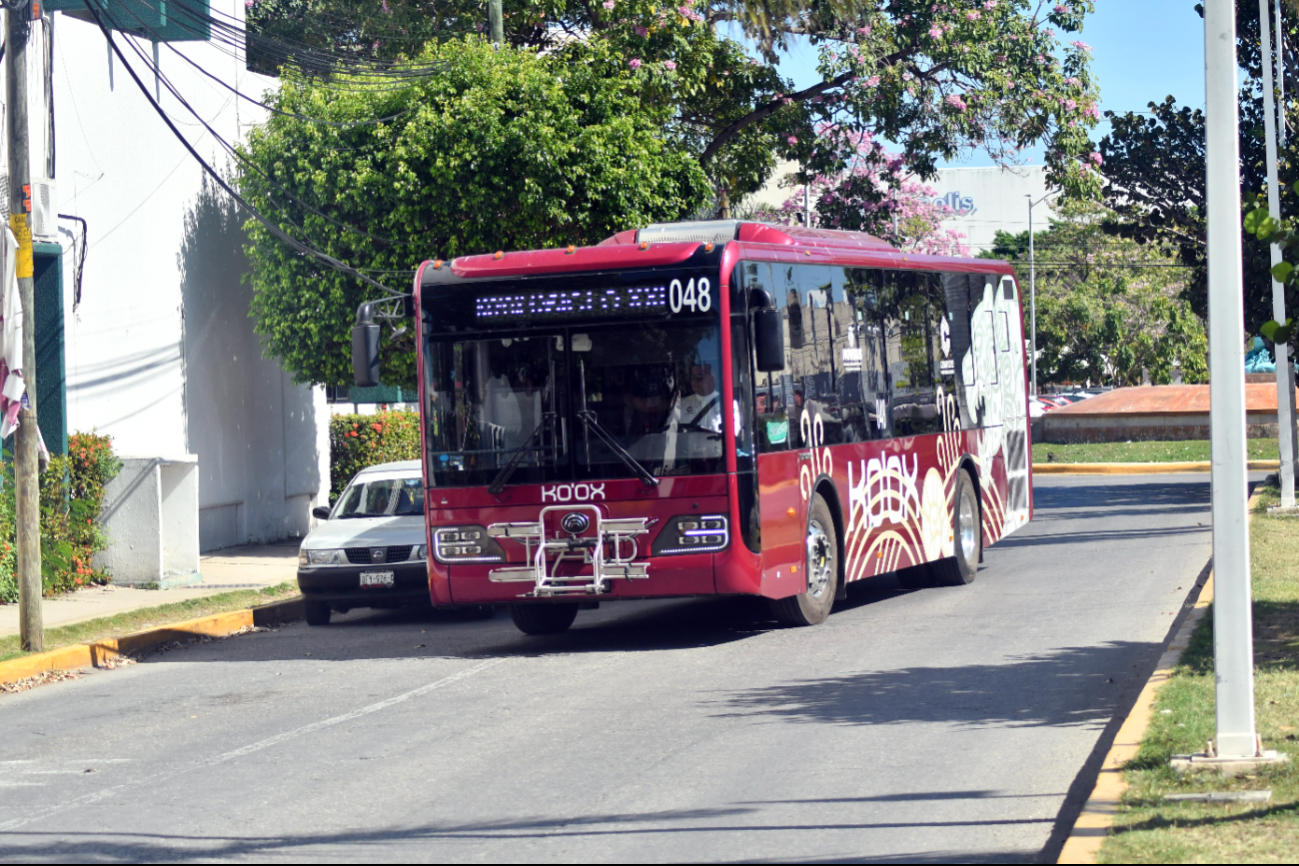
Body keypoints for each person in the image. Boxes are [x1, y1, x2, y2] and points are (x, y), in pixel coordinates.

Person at [664, 363, 722, 469]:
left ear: (712, 378)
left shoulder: (725, 403)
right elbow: (669, 433)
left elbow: (732, 435)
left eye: (699, 377)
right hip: (687, 463)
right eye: (692, 377)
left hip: (715, 463)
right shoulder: (682, 404)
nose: (694, 381)